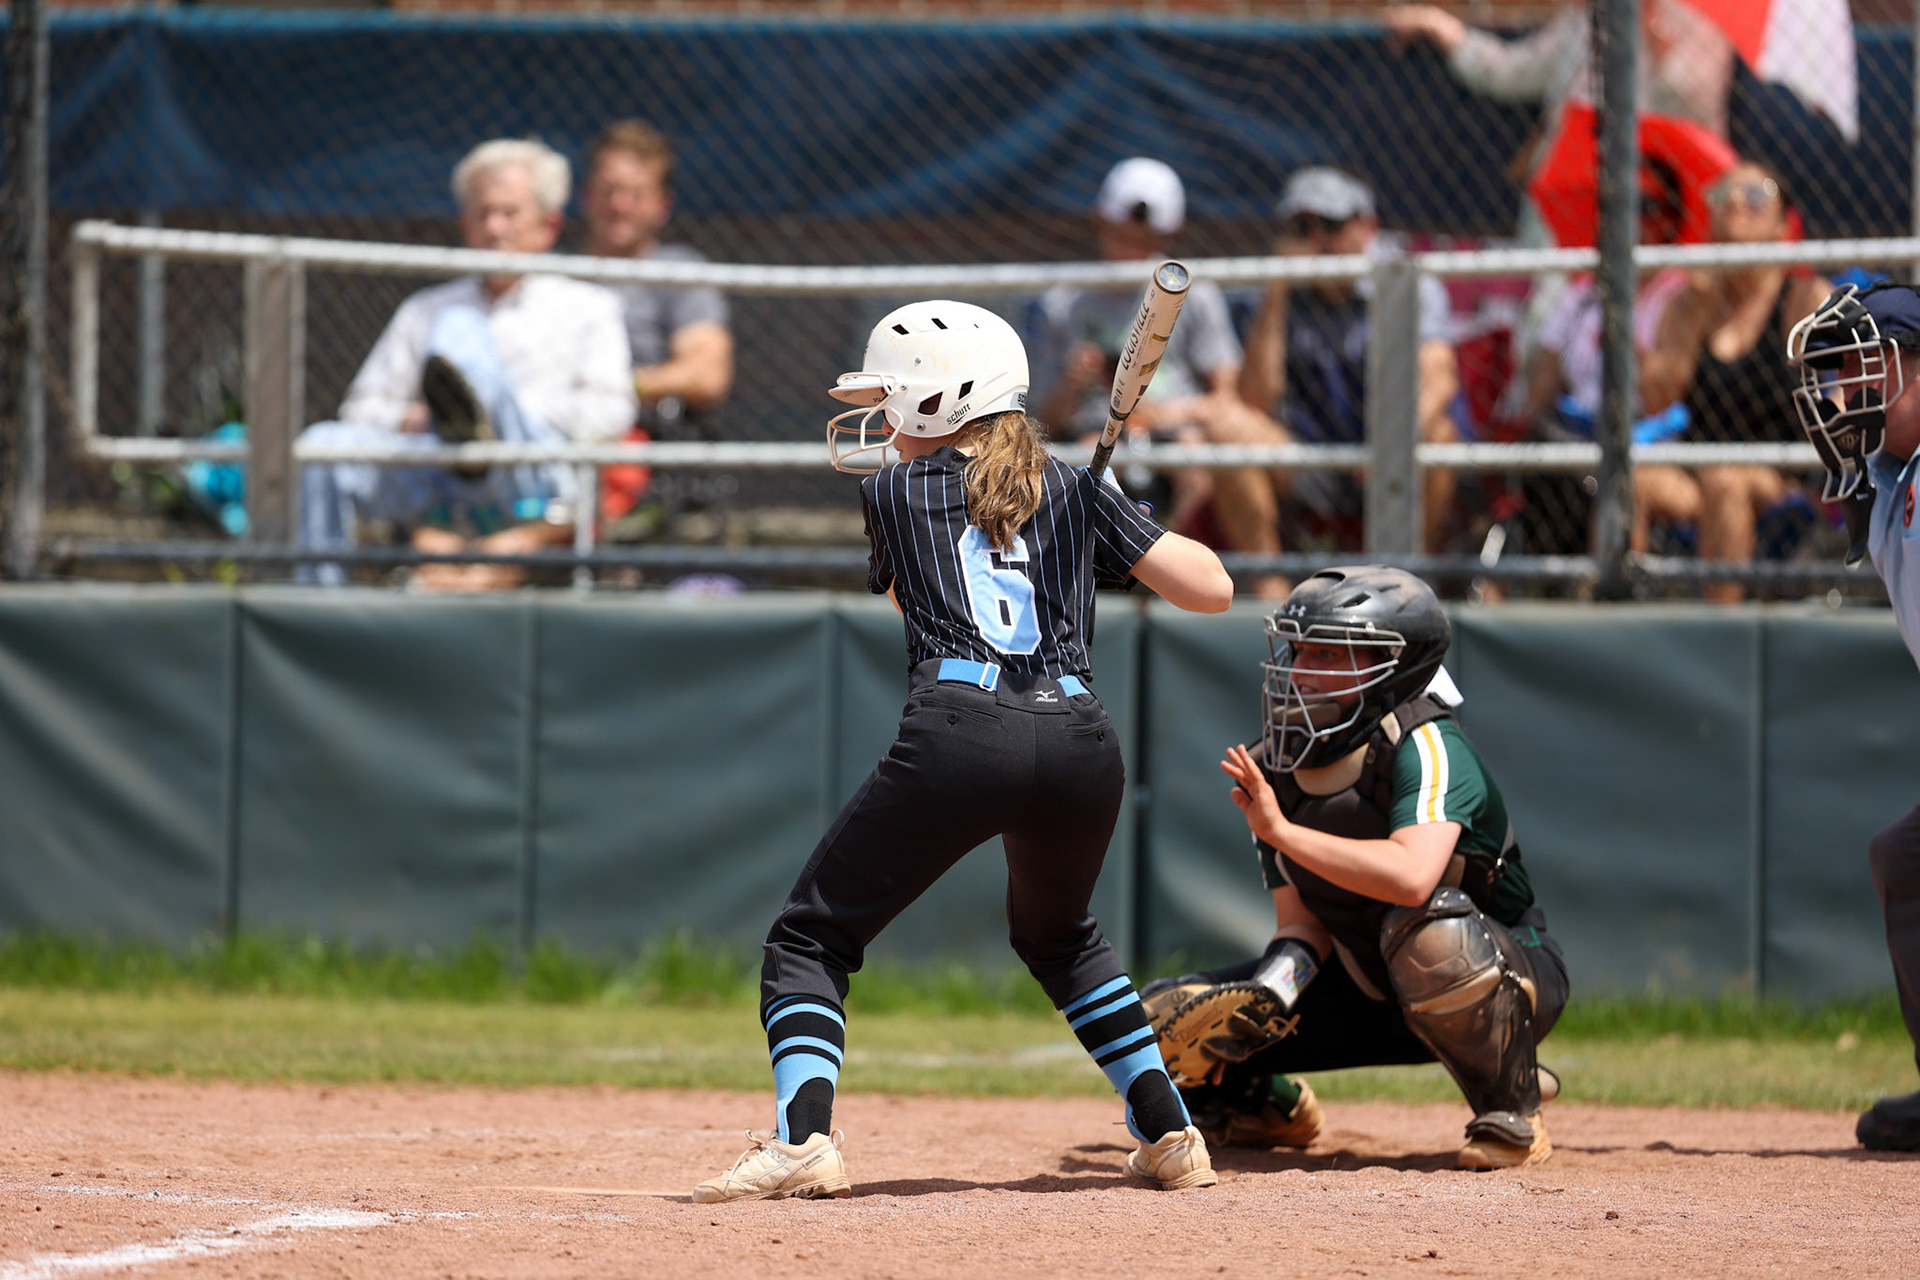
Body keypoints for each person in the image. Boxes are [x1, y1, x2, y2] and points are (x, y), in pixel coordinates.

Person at [693, 300, 1235, 1202]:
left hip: (959, 731)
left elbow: (924, 605)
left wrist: (1064, 522)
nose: (883, 422)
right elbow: (1212, 590)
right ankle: (1169, 1129)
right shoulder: (1072, 487)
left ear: (943, 402)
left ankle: (802, 1143)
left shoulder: (890, 493)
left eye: (896, 402)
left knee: (811, 937)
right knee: (1061, 937)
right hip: (1081, 742)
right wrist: (1091, 517)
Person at [1142, 565, 1569, 1170]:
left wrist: (1283, 833)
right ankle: (1265, 1106)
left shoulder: (1428, 745)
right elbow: (1304, 930)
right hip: (1369, 985)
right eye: (1300, 650)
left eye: (1330, 655)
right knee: (1158, 1020)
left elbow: (1413, 877)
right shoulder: (1279, 766)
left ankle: (1512, 1106)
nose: (1300, 671)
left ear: (1394, 670)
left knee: (1431, 934)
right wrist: (1266, 996)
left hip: (1500, 971)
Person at [298, 138, 636, 589]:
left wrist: (510, 411)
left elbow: (612, 413)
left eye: (510, 213)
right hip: (436, 465)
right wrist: (413, 419)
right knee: (322, 445)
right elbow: (361, 408)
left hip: (531, 475)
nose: (495, 228)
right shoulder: (425, 309)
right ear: (464, 224)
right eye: (482, 214)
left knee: (460, 333)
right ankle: (317, 606)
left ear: (548, 225)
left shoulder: (589, 307)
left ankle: (474, 415)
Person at [1786, 281, 1920, 1151]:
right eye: (1839, 378)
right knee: (1904, 861)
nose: (1846, 397)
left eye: (1870, 373)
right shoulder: (1881, 479)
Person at [1228, 168, 1464, 558]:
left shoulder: (1407, 282)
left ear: (1367, 226)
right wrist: (1277, 287)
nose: (1318, 241)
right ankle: (1268, 588)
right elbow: (1255, 399)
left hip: (1391, 455)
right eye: (1303, 227)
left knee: (1440, 436)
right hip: (1310, 459)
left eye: (1331, 225)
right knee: (1227, 427)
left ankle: (1407, 576)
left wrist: (1389, 444)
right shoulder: (1280, 295)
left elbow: (1439, 380)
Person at [1386, 1, 1734, 246]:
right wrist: (1444, 28)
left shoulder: (1700, 22)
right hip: (1569, 185)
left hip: (1653, 200)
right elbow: (1511, 71)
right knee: (1548, 308)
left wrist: (1651, 25)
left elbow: (1694, 109)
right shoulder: (1585, 18)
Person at [1636, 161, 1829, 603]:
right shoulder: (1690, 301)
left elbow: (1837, 397)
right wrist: (1693, 318)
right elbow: (1654, 399)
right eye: (1723, 195)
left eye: (1756, 194)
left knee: (1725, 481)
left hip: (1779, 473)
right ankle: (1623, 620)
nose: (1736, 204)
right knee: (1635, 478)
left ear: (1783, 227)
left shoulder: (1802, 298)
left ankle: (1721, 637)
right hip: (1699, 466)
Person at [1028, 157, 1246, 535]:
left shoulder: (1194, 292)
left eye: (1143, 240)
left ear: (1169, 235)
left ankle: (1171, 565)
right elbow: (1047, 419)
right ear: (1099, 221)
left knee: (1195, 459)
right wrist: (1072, 382)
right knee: (1083, 460)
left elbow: (1228, 398)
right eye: (1118, 234)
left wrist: (1159, 414)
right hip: (1096, 428)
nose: (1128, 248)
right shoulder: (1063, 302)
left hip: (1176, 429)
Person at [579, 119, 733, 436]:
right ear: (587, 196)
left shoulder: (679, 271)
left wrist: (616, 385)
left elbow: (707, 375)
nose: (619, 205)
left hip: (638, 437)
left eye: (635, 194)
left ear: (662, 205)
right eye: (609, 191)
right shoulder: (555, 272)